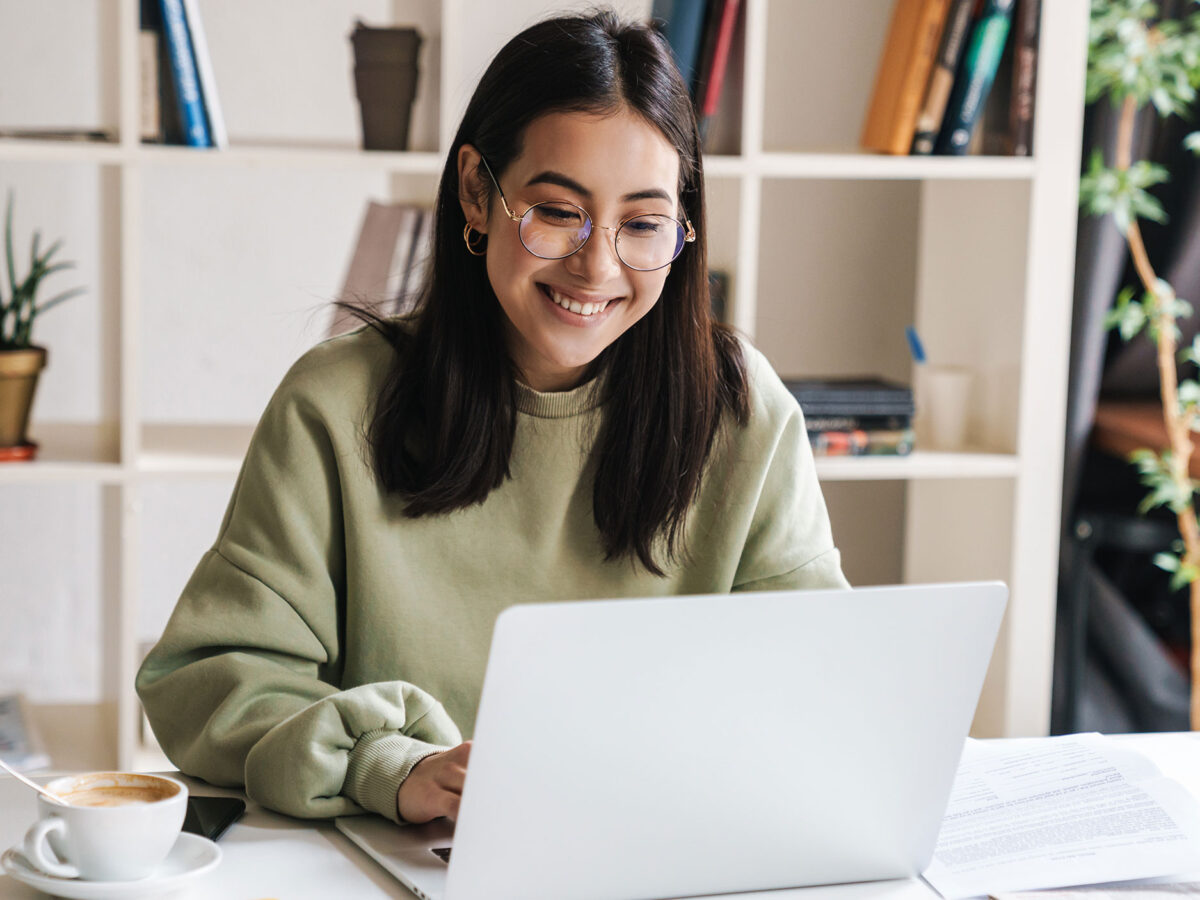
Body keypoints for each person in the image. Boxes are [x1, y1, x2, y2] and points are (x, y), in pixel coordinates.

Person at [136, 8, 849, 827]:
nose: (598, 265)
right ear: (478, 191)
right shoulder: (335, 407)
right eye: (556, 210)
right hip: (407, 861)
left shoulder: (743, 413)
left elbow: (816, 684)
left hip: (663, 851)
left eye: (643, 224)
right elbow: (209, 678)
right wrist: (385, 765)